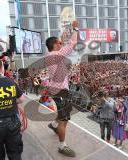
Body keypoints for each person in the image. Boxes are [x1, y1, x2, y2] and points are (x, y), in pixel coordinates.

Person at [43, 20, 78, 157]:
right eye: (58, 43)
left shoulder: (50, 55)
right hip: (61, 91)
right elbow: (72, 43)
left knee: (63, 113)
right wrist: (75, 29)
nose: (61, 43)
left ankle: (53, 124)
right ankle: (62, 146)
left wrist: (65, 32)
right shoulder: (57, 55)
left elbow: (62, 40)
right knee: (64, 120)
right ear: (54, 45)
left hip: (57, 90)